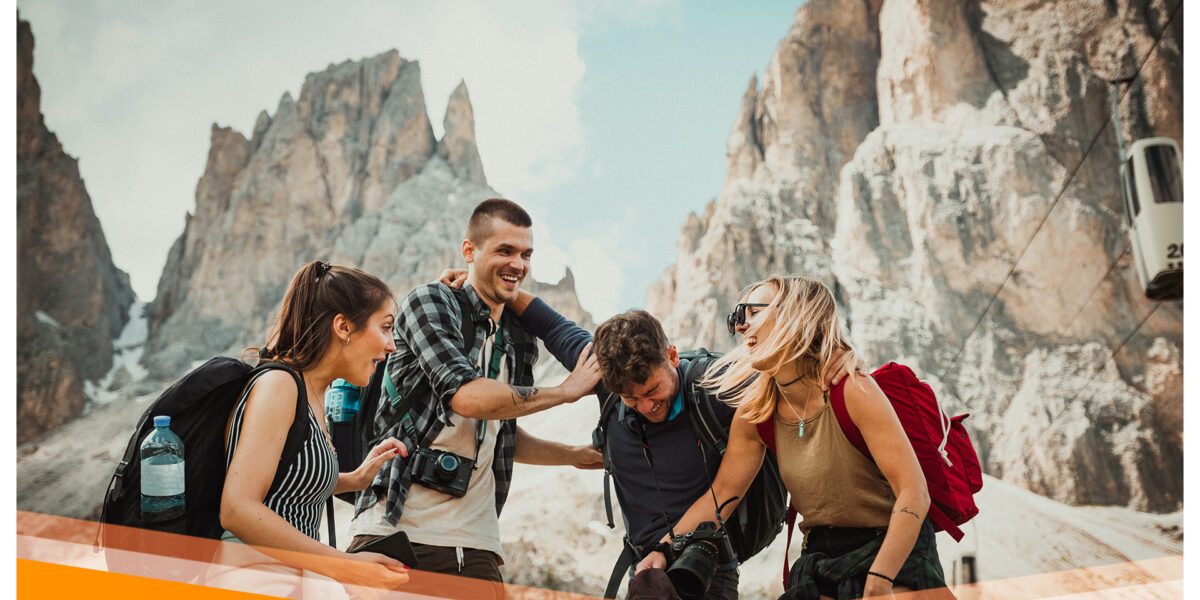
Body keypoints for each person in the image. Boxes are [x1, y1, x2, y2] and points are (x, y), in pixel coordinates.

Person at [639, 275, 947, 600]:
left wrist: (881, 577)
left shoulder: (852, 390)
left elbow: (915, 493)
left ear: (795, 314)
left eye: (752, 312)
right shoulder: (756, 412)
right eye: (738, 317)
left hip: (893, 548)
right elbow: (723, 494)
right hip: (820, 556)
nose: (741, 326)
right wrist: (664, 549)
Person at [348, 199, 603, 589]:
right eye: (504, 250)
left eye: (525, 254)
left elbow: (500, 431)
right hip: (397, 532)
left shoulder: (517, 337)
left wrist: (573, 456)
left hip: (477, 547)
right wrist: (565, 393)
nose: (518, 263)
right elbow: (466, 397)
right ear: (469, 251)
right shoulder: (430, 302)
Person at [211, 260, 412, 598]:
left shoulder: (313, 394)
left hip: (287, 581)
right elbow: (237, 508)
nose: (391, 345)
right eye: (385, 327)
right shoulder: (280, 384)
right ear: (344, 327)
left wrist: (354, 478)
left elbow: (284, 482)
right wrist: (347, 566)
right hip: (253, 578)